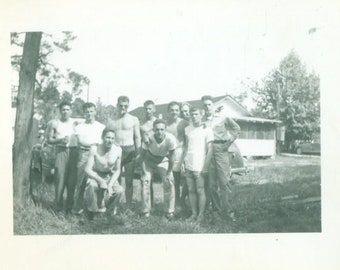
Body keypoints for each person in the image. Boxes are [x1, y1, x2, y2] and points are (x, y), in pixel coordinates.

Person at [201, 95, 240, 222]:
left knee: (224, 182)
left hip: (221, 149)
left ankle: (229, 212)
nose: (207, 107)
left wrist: (229, 142)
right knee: (211, 185)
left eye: (209, 104)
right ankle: (216, 211)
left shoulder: (223, 117)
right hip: (208, 151)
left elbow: (236, 129)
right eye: (205, 105)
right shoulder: (202, 120)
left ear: (213, 105)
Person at [106, 96, 141, 209]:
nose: (123, 108)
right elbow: (107, 137)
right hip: (116, 150)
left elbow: (137, 137)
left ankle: (128, 205)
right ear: (117, 105)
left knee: (129, 180)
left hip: (129, 150)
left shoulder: (133, 119)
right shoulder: (111, 120)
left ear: (128, 106)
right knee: (115, 179)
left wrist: (138, 152)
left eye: (125, 106)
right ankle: (115, 204)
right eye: (121, 105)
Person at [83, 128, 124, 221]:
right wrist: (100, 181)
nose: (110, 140)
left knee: (119, 190)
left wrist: (110, 184)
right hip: (95, 174)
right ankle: (92, 211)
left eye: (112, 138)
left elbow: (117, 170)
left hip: (109, 175)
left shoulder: (118, 150)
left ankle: (110, 211)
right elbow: (87, 169)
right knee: (92, 186)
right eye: (108, 137)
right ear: (102, 137)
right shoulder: (94, 148)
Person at [72, 102, 105, 214]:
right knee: (81, 182)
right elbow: (81, 141)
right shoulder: (80, 127)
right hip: (84, 154)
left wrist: (96, 147)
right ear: (84, 113)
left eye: (91, 111)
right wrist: (93, 144)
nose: (89, 114)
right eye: (87, 112)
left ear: (95, 112)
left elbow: (103, 142)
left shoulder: (101, 126)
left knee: (97, 180)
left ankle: (99, 206)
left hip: (98, 155)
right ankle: (78, 207)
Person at [140, 119, 176, 220]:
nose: (159, 132)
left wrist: (169, 172)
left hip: (163, 159)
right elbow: (141, 157)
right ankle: (145, 210)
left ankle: (169, 211)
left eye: (162, 129)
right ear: (153, 130)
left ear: (165, 129)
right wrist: (143, 172)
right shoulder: (149, 138)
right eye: (157, 129)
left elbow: (172, 158)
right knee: (145, 182)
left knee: (169, 181)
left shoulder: (170, 139)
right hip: (149, 159)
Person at [182, 107, 213, 223]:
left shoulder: (207, 129)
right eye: (192, 114)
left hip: (200, 164)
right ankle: (194, 213)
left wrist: (206, 166)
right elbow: (186, 146)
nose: (194, 116)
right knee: (191, 190)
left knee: (200, 190)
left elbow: (210, 149)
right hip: (188, 163)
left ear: (201, 114)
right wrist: (183, 161)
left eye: (196, 114)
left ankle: (201, 215)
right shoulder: (187, 129)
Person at [47, 101, 78, 211]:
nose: (65, 111)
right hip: (61, 151)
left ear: (71, 111)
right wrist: (60, 140)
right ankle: (58, 207)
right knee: (60, 179)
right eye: (63, 109)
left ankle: (69, 208)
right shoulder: (54, 123)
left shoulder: (76, 123)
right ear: (60, 111)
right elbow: (49, 140)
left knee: (72, 181)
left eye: (67, 109)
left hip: (74, 152)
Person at [166, 101, 189, 208]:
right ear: (168, 111)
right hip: (169, 153)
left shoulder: (184, 123)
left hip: (182, 151)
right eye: (172, 110)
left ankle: (182, 199)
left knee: (185, 179)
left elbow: (189, 140)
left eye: (176, 110)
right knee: (173, 179)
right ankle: (174, 202)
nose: (174, 112)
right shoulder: (165, 124)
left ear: (179, 111)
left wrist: (185, 155)